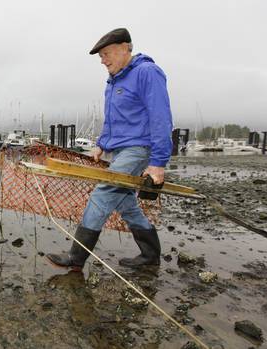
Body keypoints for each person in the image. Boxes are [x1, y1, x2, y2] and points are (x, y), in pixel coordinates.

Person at [46, 28, 173, 269]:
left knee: (103, 194)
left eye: (106, 54)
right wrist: (101, 145)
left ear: (125, 48)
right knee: (126, 203)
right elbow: (112, 120)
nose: (103, 61)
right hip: (119, 151)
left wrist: (157, 163)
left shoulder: (147, 73)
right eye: (101, 57)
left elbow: (161, 118)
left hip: (138, 149)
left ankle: (76, 256)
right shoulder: (113, 82)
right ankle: (150, 256)